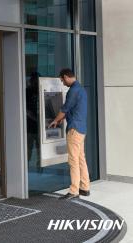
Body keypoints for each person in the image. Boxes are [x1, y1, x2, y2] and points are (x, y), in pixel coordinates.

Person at [48, 68, 90, 200]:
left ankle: (74, 191)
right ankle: (85, 187)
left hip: (74, 130)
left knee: (73, 160)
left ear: (66, 77)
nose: (62, 83)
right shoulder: (81, 89)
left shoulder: (73, 91)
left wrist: (55, 120)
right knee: (81, 158)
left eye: (62, 80)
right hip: (81, 128)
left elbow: (64, 109)